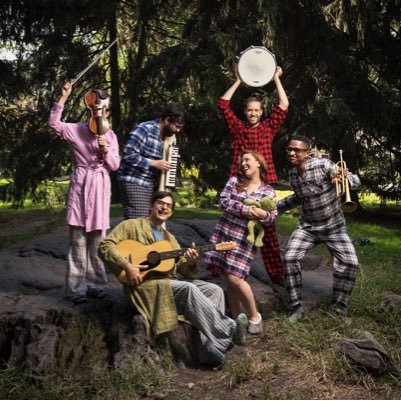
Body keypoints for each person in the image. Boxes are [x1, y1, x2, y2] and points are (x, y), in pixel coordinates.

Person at [98, 191, 248, 366]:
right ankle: (229, 329)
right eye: (160, 203)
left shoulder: (170, 240)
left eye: (168, 206)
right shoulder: (131, 226)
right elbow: (105, 245)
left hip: (168, 283)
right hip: (144, 286)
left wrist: (190, 262)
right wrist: (126, 265)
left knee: (214, 290)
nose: (164, 208)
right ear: (151, 205)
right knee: (188, 289)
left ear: (171, 212)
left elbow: (182, 271)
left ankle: (211, 348)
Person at [48, 81, 120, 304]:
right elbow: (53, 124)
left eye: (104, 109)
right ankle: (75, 289)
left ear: (107, 111)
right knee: (78, 241)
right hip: (81, 185)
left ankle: (97, 284)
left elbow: (115, 165)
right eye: (96, 108)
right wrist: (63, 97)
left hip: (99, 187)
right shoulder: (76, 130)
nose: (100, 112)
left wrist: (106, 151)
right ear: (89, 109)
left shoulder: (111, 136)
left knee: (98, 240)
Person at [277, 135, 361, 323]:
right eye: (289, 149)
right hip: (308, 227)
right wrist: (275, 208)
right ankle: (296, 309)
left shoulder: (323, 165)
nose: (291, 153)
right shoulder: (292, 174)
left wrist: (342, 180)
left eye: (297, 150)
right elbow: (299, 197)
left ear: (307, 152)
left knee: (350, 263)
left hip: (334, 227)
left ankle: (338, 310)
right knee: (290, 258)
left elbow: (356, 181)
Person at [219, 65, 289, 286]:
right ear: (245, 111)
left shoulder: (268, 128)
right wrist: (238, 80)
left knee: (267, 229)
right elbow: (223, 104)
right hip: (240, 184)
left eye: (257, 110)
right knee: (233, 227)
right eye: (250, 110)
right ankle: (226, 270)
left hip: (262, 185)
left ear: (262, 111)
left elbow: (284, 105)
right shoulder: (238, 128)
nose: (253, 113)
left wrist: (276, 78)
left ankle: (277, 277)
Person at [203, 151, 278, 334]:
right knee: (228, 279)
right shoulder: (234, 182)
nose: (243, 163)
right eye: (241, 160)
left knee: (235, 277)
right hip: (225, 233)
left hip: (244, 239)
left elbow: (271, 218)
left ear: (259, 163)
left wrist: (263, 215)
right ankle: (237, 322)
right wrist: (245, 210)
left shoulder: (268, 191)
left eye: (247, 160)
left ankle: (254, 316)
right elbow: (223, 201)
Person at [117, 102, 187, 220]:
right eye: (177, 126)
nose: (178, 130)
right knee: (138, 224)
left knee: (151, 225)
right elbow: (128, 154)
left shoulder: (169, 138)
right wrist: (154, 163)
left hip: (151, 185)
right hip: (134, 181)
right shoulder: (144, 129)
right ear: (167, 120)